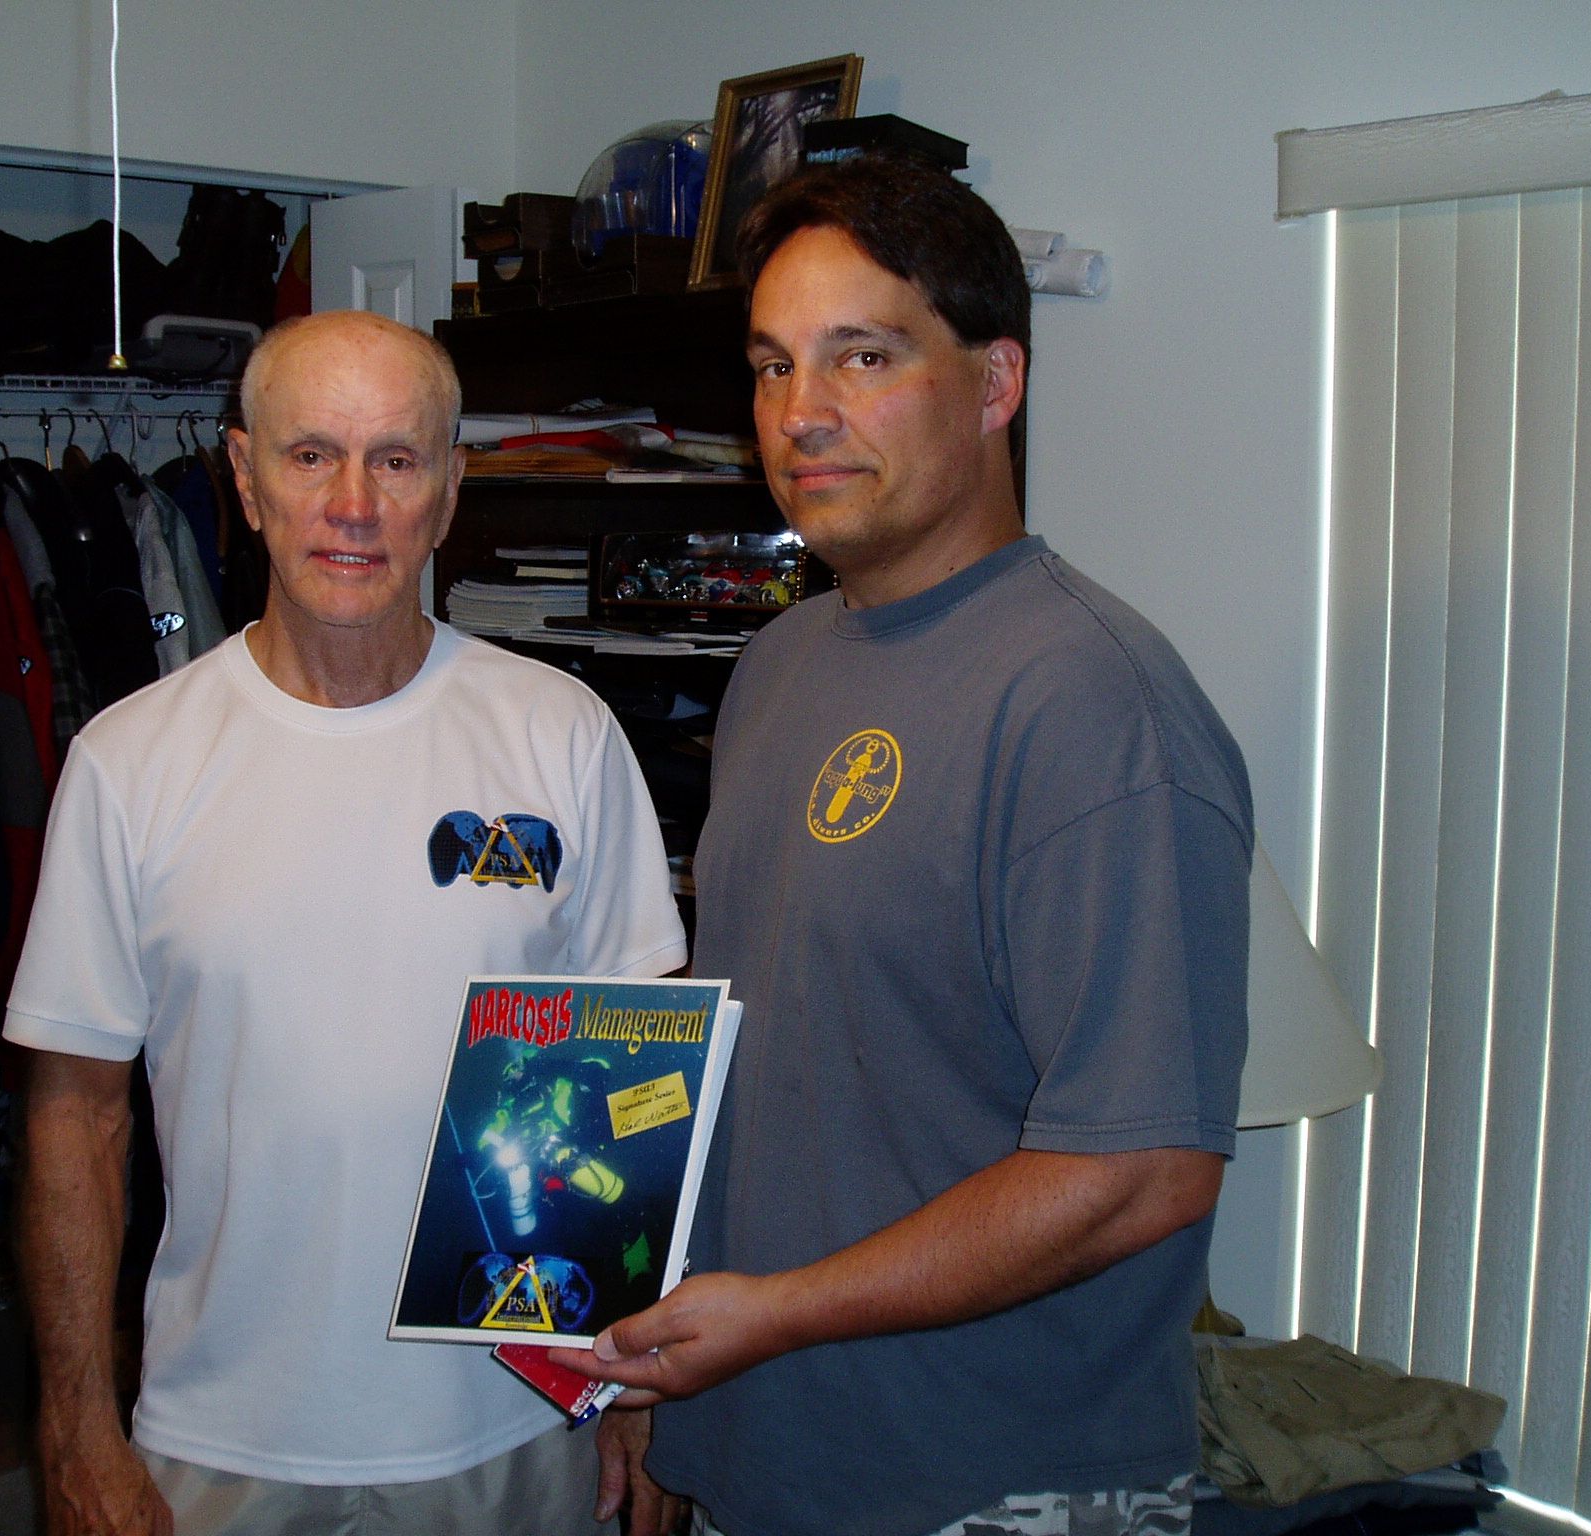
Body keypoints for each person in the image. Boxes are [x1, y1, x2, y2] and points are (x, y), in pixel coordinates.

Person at [554, 156, 1254, 1536]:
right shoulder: (781, 662)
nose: (799, 413)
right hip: (763, 1440)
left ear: (995, 384)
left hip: (987, 1481)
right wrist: (645, 1342)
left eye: (861, 356)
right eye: (772, 365)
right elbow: (756, 1043)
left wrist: (774, 1315)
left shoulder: (1091, 702)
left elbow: (1141, 1172)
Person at [7, 309, 688, 1536]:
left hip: (512, 1420)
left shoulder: (561, 735)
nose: (354, 506)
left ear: (449, 488)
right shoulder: (129, 763)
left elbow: (636, 1087)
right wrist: (74, 1424)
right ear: (245, 479)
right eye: (311, 454)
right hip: (219, 1435)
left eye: (396, 459)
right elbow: (75, 1116)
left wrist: (633, 1386)